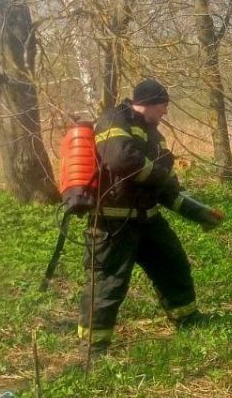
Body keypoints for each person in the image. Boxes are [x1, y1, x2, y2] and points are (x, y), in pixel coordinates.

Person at [77, 78, 224, 357]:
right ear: (150, 103)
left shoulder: (155, 136)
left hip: (148, 220)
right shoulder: (113, 120)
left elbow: (167, 189)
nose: (165, 113)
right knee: (108, 284)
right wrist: (158, 171)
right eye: (164, 107)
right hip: (113, 223)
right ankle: (93, 350)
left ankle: (188, 319)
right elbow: (122, 161)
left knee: (174, 264)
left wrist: (201, 214)